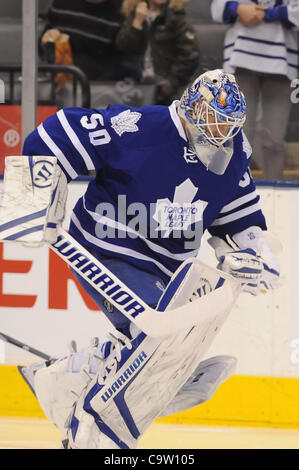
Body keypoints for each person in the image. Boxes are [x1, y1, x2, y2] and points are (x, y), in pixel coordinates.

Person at [17, 69, 281, 449]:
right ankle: (90, 434)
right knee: (162, 331)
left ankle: (74, 373)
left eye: (228, 123)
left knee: (171, 333)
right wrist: (31, 198)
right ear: (192, 106)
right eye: (212, 118)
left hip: (167, 272)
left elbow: (240, 218)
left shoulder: (235, 152)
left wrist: (254, 255)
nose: (220, 131)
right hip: (106, 248)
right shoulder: (140, 127)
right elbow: (54, 134)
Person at [211, 0, 299, 180]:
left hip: (282, 64)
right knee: (237, 137)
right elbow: (217, 9)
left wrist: (265, 14)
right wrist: (238, 8)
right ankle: (232, 193)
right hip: (240, 60)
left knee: (274, 140)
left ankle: (274, 193)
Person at [115, 0, 200, 105]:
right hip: (134, 85)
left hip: (165, 88)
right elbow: (123, 47)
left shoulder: (175, 17)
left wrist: (170, 84)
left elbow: (190, 55)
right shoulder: (135, 13)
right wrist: (137, 22)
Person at [40, 0, 124, 81]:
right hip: (57, 83)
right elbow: (40, 48)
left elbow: (118, 68)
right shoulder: (61, 3)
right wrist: (46, 43)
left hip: (97, 87)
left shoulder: (122, 12)